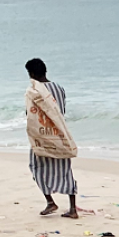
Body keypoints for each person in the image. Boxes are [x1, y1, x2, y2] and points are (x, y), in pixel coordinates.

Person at [25, 58, 83, 218]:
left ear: (32, 73)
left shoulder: (33, 91)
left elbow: (30, 114)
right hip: (60, 135)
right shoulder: (59, 88)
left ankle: (50, 202)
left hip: (42, 135)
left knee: (36, 166)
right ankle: (72, 209)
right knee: (65, 170)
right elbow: (60, 111)